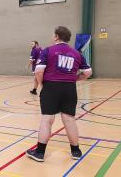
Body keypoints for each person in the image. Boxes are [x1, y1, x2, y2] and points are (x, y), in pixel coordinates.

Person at [26, 26, 92, 162]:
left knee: (47, 119)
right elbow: (88, 72)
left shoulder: (48, 51)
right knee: (69, 119)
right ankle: (76, 151)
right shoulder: (76, 53)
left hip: (51, 87)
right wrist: (75, 78)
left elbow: (38, 71)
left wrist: (43, 84)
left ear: (56, 36)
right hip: (69, 88)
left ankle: (39, 153)